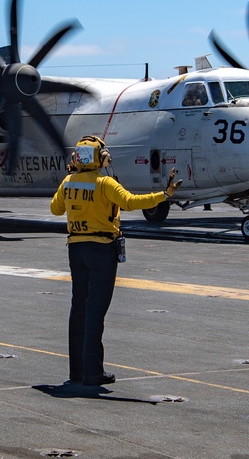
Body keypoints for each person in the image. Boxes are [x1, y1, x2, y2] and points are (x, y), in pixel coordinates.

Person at [50, 136, 181, 386]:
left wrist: (72, 179)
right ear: (101, 158)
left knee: (78, 309)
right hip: (101, 250)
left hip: (76, 249)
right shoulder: (105, 183)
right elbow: (131, 202)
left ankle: (76, 371)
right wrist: (163, 195)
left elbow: (55, 210)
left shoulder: (68, 182)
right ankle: (92, 372)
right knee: (95, 312)